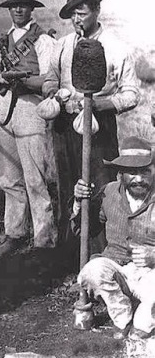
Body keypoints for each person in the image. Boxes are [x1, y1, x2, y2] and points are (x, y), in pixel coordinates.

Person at [42, 0, 139, 245]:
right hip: (65, 126)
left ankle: (100, 252)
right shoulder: (61, 46)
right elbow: (51, 78)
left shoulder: (115, 48)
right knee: (67, 184)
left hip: (100, 128)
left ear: (97, 11)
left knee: (101, 187)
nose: (76, 19)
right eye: (73, 13)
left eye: (82, 13)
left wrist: (98, 105)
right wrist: (53, 92)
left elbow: (132, 94)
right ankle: (69, 252)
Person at [0, 0, 57, 257]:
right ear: (9, 9)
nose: (18, 10)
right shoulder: (1, 42)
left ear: (31, 8)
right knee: (9, 178)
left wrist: (24, 82)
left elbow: (50, 80)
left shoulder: (44, 41)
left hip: (30, 111)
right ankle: (15, 232)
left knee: (35, 178)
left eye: (23, 5)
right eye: (14, 6)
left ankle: (43, 240)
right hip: (4, 111)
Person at [72, 136, 155, 340]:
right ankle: (122, 317)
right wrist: (78, 200)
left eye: (145, 171)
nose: (138, 178)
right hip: (118, 269)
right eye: (131, 172)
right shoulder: (109, 193)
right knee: (91, 272)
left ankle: (144, 321)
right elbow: (85, 228)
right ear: (120, 174)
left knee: (142, 332)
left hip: (151, 274)